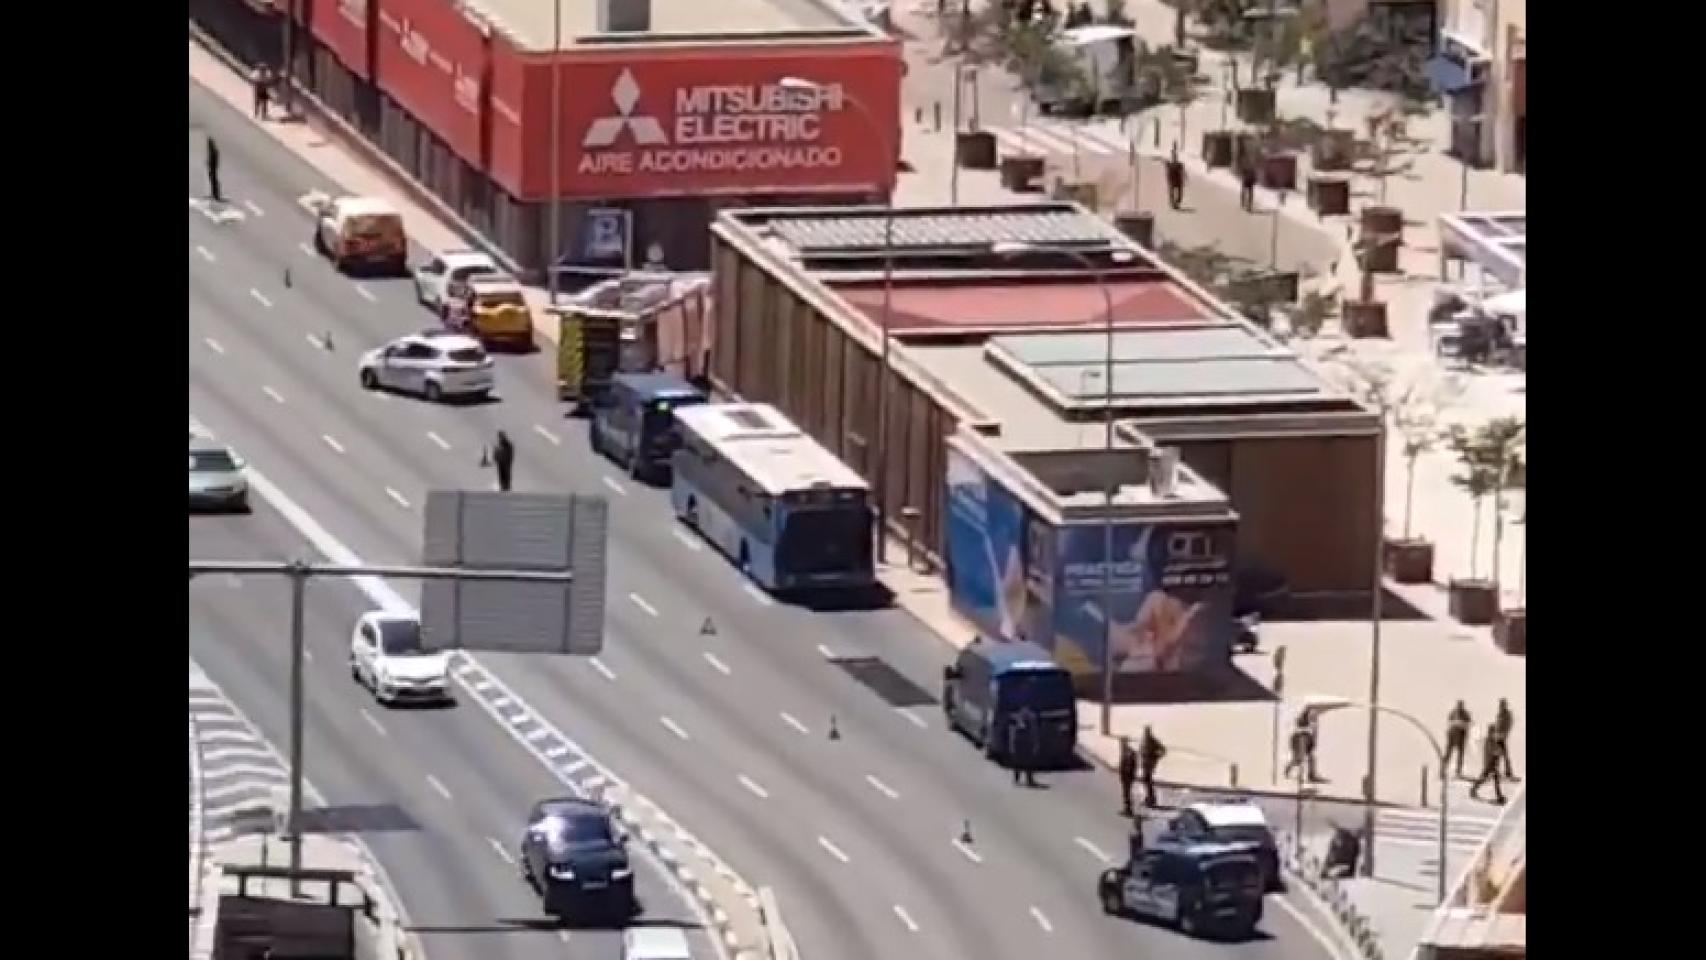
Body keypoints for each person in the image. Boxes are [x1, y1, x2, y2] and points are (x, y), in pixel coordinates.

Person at [1468, 722, 1506, 804]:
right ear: (1491, 732)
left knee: (1492, 779)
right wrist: (1501, 748)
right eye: (1493, 731)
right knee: (1486, 778)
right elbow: (1496, 751)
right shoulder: (1490, 741)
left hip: (1490, 763)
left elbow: (1497, 752)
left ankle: (1499, 796)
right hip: (1489, 764)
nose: (1495, 733)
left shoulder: (1491, 740)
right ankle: (1473, 790)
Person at [1008, 708, 1040, 787]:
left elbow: (1012, 731)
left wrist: (1011, 745)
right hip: (1026, 742)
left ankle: (1017, 780)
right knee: (1028, 761)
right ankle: (1028, 780)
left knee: (1018, 761)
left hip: (1019, 741)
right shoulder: (1032, 717)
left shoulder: (1015, 716)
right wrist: (1035, 743)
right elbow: (1034, 731)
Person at [1137, 725, 1165, 808]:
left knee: (1147, 781)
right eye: (1145, 731)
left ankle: (1151, 799)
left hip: (1149, 765)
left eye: (1147, 732)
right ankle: (1149, 798)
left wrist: (1156, 758)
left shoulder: (1153, 741)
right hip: (1144, 764)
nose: (1145, 733)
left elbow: (1163, 750)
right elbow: (1141, 751)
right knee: (1146, 781)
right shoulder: (1143, 740)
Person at [1443, 701, 1472, 778]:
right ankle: (1442, 770)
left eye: (1460, 706)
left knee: (1459, 755)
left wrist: (1461, 725)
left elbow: (1469, 724)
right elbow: (1449, 723)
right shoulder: (1453, 713)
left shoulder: (1465, 714)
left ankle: (1458, 772)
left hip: (1461, 737)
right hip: (1452, 737)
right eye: (1458, 706)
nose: (1459, 707)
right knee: (1448, 754)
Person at [1494, 699, 1517, 780]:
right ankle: (1498, 772)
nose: (1500, 706)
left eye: (1502, 704)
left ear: (1505, 705)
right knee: (1498, 755)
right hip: (1497, 737)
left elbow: (1509, 724)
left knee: (1503, 755)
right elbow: (1497, 725)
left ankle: (1508, 773)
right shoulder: (1499, 714)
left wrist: (1505, 734)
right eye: (1500, 704)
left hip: (1502, 737)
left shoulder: (1507, 714)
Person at [1117, 736, 1138, 816]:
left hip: (1127, 776)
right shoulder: (1126, 751)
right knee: (1126, 793)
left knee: (1126, 793)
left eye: (1121, 743)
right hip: (1126, 776)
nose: (1120, 745)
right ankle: (1127, 808)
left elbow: (1130, 766)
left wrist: (1125, 774)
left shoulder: (1128, 752)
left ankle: (1128, 810)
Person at [206, 137, 223, 204]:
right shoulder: (212, 151)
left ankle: (216, 195)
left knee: (214, 181)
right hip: (212, 168)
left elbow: (214, 160)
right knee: (213, 181)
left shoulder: (214, 151)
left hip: (213, 168)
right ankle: (214, 194)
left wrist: (210, 164)